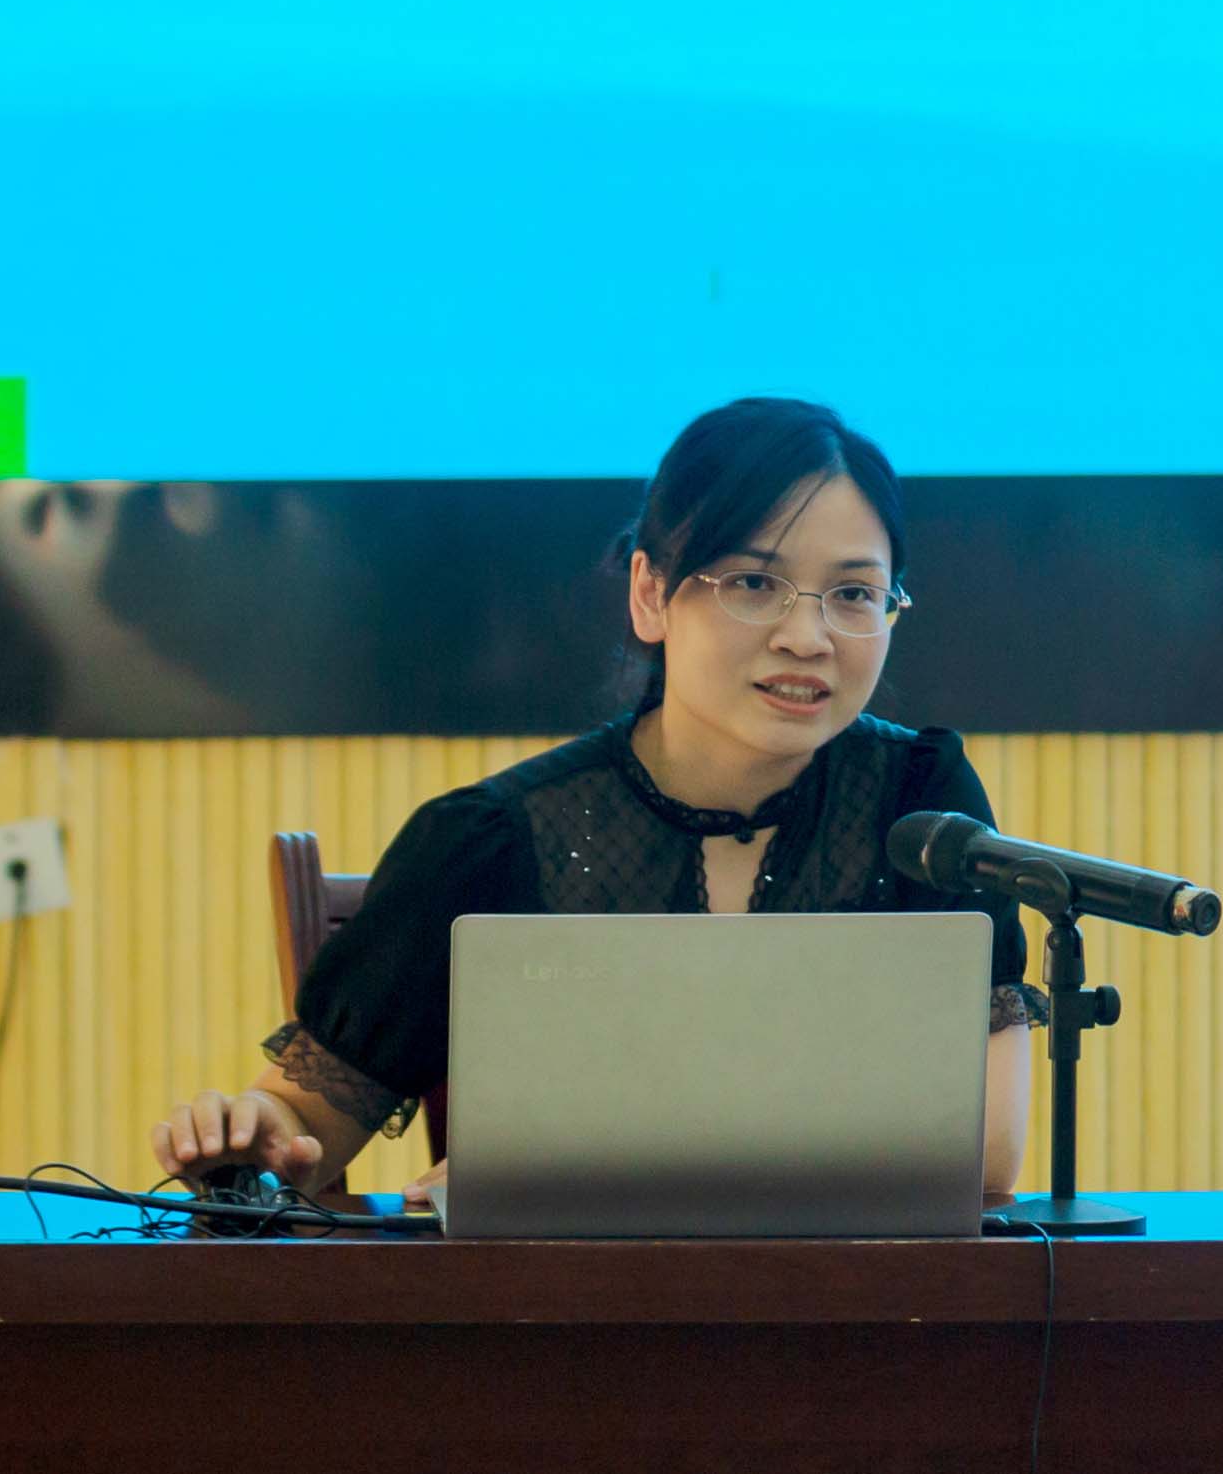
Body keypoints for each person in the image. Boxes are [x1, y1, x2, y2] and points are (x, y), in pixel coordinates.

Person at [151, 397, 1044, 1205]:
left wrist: (601, 1167)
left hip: (853, 1312)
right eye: (752, 583)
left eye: (853, 594)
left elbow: (988, 1151)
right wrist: (251, 1140)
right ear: (650, 593)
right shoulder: (492, 840)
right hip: (561, 1319)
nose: (807, 636)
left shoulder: (920, 811)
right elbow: (307, 1127)